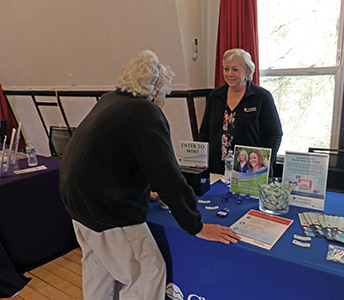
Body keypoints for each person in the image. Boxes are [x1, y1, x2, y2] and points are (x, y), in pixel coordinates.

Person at [59, 50, 240, 300]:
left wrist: (145, 194)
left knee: (99, 271)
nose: (164, 100)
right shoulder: (145, 112)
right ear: (155, 91)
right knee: (148, 274)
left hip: (77, 204)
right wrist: (195, 225)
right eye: (165, 94)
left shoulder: (110, 100)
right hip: (107, 211)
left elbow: (118, 162)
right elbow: (168, 176)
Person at [199, 48, 283, 175]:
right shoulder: (215, 96)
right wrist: (201, 158)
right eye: (226, 69)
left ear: (247, 71)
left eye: (235, 69)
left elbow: (275, 134)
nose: (229, 74)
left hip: (251, 172)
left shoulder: (262, 97)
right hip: (217, 170)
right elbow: (204, 131)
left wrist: (263, 163)